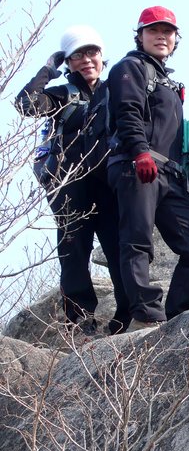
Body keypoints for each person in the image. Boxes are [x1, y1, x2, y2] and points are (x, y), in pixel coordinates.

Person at [16, 26, 130, 335]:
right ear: (69, 61)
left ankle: (126, 314)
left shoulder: (114, 89)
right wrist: (49, 69)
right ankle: (81, 320)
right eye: (77, 55)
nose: (86, 60)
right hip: (70, 184)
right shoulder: (63, 94)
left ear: (102, 55)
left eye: (92, 52)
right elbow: (26, 104)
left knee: (119, 248)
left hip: (107, 183)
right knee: (74, 253)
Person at [107, 6, 189, 331]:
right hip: (137, 164)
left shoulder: (166, 80)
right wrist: (139, 152)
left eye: (168, 32)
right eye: (154, 31)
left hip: (170, 174)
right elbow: (127, 111)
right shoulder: (130, 67)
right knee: (137, 241)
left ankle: (178, 315)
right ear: (140, 36)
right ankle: (146, 314)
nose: (162, 36)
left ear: (176, 38)